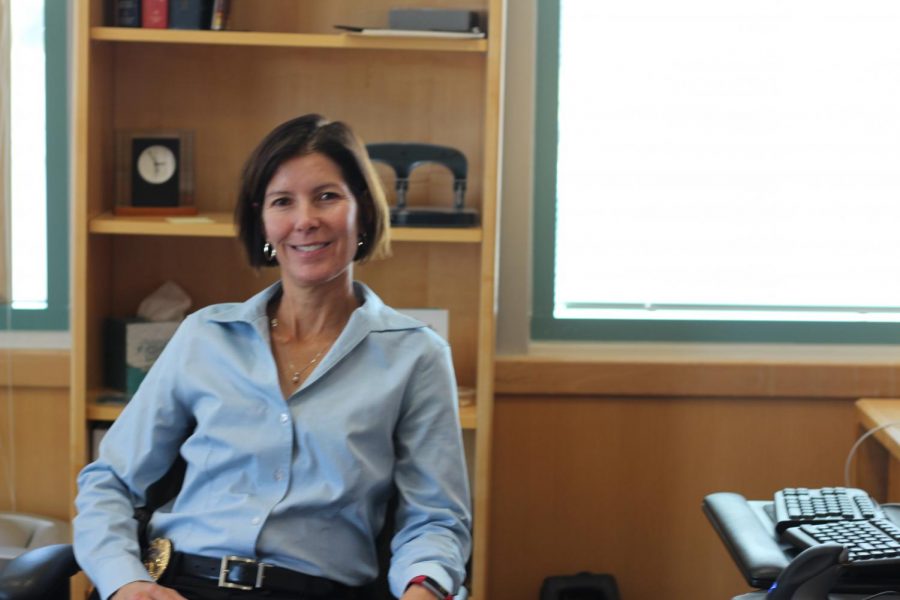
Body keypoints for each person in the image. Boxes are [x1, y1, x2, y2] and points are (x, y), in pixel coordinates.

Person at [73, 114, 472, 600]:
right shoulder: (205, 336)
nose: (306, 220)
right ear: (263, 221)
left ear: (362, 211)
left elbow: (435, 520)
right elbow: (110, 480)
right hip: (176, 584)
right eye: (283, 202)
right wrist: (125, 582)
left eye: (327, 196)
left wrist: (424, 588)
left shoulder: (415, 355)